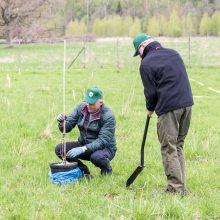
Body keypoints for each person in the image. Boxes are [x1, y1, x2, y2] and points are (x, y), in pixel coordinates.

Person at [133, 34, 194, 194]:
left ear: (142, 47)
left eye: (138, 52)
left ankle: (174, 190)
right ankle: (181, 188)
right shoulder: (174, 53)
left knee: (168, 148)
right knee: (178, 145)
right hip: (187, 105)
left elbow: (151, 92)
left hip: (169, 109)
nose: (139, 56)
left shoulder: (146, 63)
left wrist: (149, 108)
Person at [55, 87, 116, 178]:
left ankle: (107, 171)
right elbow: (67, 128)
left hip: (104, 148)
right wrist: (62, 122)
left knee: (96, 157)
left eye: (92, 103)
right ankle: (84, 172)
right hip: (84, 144)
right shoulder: (81, 108)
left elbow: (102, 141)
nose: (89, 105)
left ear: (101, 102)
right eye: (87, 102)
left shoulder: (108, 116)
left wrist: (82, 149)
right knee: (60, 149)